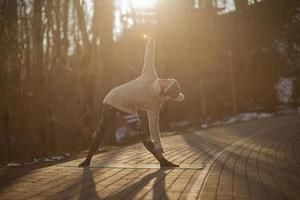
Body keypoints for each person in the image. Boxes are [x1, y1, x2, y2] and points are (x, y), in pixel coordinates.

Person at [79, 37, 185, 168]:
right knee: (102, 129)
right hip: (114, 98)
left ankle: (162, 161)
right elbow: (149, 53)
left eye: (167, 81)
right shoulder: (150, 74)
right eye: (168, 79)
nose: (165, 78)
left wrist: (158, 145)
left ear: (165, 89)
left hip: (128, 109)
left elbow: (154, 127)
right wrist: (153, 36)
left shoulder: (155, 105)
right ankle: (87, 160)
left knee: (143, 135)